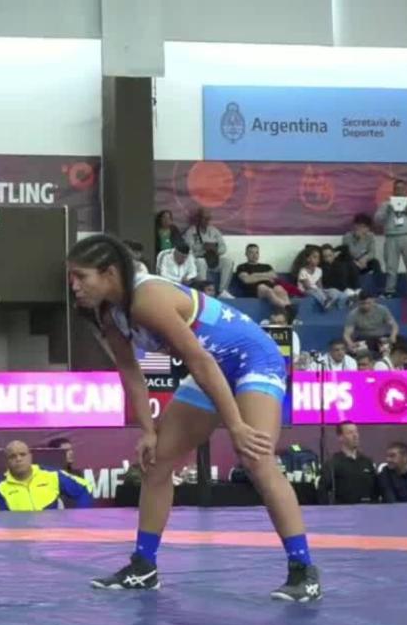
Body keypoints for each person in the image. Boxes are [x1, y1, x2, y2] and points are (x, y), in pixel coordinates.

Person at [66, 234, 321, 601]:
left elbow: (200, 361)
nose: (74, 286)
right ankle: (143, 566)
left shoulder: (147, 298)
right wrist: (148, 431)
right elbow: (131, 374)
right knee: (158, 461)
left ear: (108, 273)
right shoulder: (110, 314)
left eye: (80, 276)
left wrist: (236, 426)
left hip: (252, 358)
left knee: (256, 457)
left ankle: (303, 571)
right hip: (213, 366)